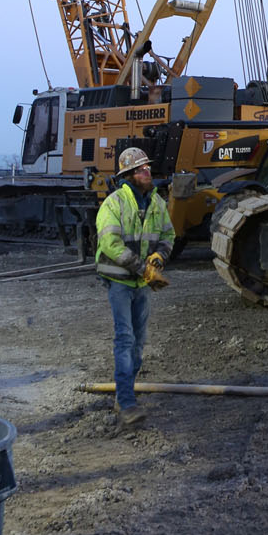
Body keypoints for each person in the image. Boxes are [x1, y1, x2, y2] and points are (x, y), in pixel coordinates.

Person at [95, 147, 175, 427]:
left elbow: (168, 233)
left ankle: (124, 393)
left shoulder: (156, 203)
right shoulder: (114, 204)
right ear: (129, 175)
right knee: (125, 338)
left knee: (139, 343)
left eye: (148, 168)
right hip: (119, 281)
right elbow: (110, 245)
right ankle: (127, 401)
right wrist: (144, 269)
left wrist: (159, 257)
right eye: (142, 169)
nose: (148, 173)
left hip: (141, 283)